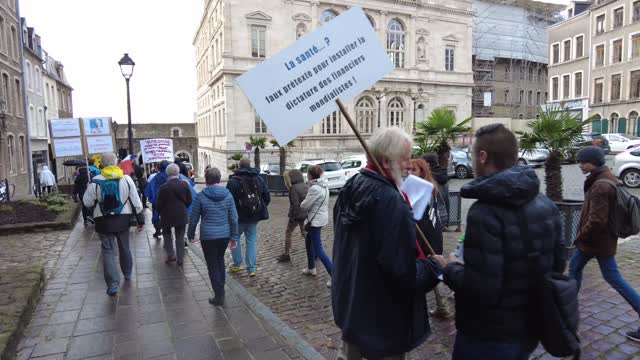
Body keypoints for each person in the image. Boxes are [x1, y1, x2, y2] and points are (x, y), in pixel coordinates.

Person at [441, 124, 566, 359]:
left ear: (483, 156)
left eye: (472, 155)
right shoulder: (545, 203)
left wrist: (451, 268)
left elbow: (481, 289)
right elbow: (558, 264)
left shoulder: (484, 212)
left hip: (487, 334)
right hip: (530, 326)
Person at [332, 128, 445, 359]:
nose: (408, 164)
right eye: (404, 158)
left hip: (354, 306)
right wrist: (435, 266)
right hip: (383, 319)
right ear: (385, 161)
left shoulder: (353, 184)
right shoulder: (391, 201)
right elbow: (403, 274)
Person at [569, 146, 640, 341]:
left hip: (596, 242)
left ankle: (567, 312)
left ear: (594, 162)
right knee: (575, 268)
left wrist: (580, 237)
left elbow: (597, 221)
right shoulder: (606, 178)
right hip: (600, 240)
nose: (580, 165)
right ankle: (568, 312)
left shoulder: (601, 185)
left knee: (613, 278)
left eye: (584, 162)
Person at [83, 152, 144, 296]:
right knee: (125, 247)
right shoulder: (126, 179)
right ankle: (127, 274)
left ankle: (113, 284)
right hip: (123, 218)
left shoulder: (95, 180)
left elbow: (87, 202)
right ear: (116, 162)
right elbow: (136, 202)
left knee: (108, 251)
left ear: (102, 164)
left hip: (103, 220)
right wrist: (140, 219)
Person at [188, 167, 238, 306]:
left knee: (212, 265)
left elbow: (193, 218)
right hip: (224, 235)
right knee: (220, 260)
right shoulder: (227, 195)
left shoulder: (201, 196)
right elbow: (234, 218)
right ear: (219, 178)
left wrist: (190, 234)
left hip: (208, 236)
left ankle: (219, 295)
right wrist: (234, 237)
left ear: (206, 180)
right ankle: (221, 289)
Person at [409, 158, 451, 318]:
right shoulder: (428, 187)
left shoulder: (422, 189)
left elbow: (419, 216)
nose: (410, 172)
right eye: (409, 169)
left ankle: (443, 304)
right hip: (430, 233)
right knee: (434, 267)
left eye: (414, 170)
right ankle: (442, 304)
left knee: (432, 268)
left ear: (422, 172)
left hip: (427, 236)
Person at [226, 158, 270, 277]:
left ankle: (237, 264)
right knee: (251, 241)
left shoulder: (233, 181)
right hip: (254, 216)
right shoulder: (258, 178)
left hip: (238, 217)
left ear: (239, 166)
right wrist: (260, 208)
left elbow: (228, 200)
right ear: (249, 165)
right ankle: (251, 268)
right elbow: (266, 195)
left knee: (234, 238)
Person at [300, 165, 332, 287]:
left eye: (307, 174)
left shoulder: (314, 189)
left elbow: (304, 205)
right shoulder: (324, 185)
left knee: (318, 249)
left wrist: (306, 195)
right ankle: (311, 267)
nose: (306, 175)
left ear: (311, 175)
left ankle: (333, 274)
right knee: (309, 242)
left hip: (314, 221)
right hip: (320, 218)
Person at [157, 164, 193, 266]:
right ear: (178, 172)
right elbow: (189, 200)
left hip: (166, 214)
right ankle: (180, 258)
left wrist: (160, 212)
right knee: (180, 236)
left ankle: (171, 255)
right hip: (181, 214)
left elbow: (159, 203)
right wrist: (183, 207)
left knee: (167, 234)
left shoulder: (163, 187)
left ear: (167, 173)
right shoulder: (185, 184)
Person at [276, 169, 308, 262]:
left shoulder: (294, 188)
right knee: (305, 233)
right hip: (305, 214)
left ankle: (286, 254)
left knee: (288, 232)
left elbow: (295, 205)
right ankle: (313, 251)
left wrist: (292, 217)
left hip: (297, 216)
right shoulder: (305, 185)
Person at [422, 152, 450, 227]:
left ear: (427, 164)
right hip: (443, 214)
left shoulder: (430, 177)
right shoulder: (443, 174)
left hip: (435, 216)